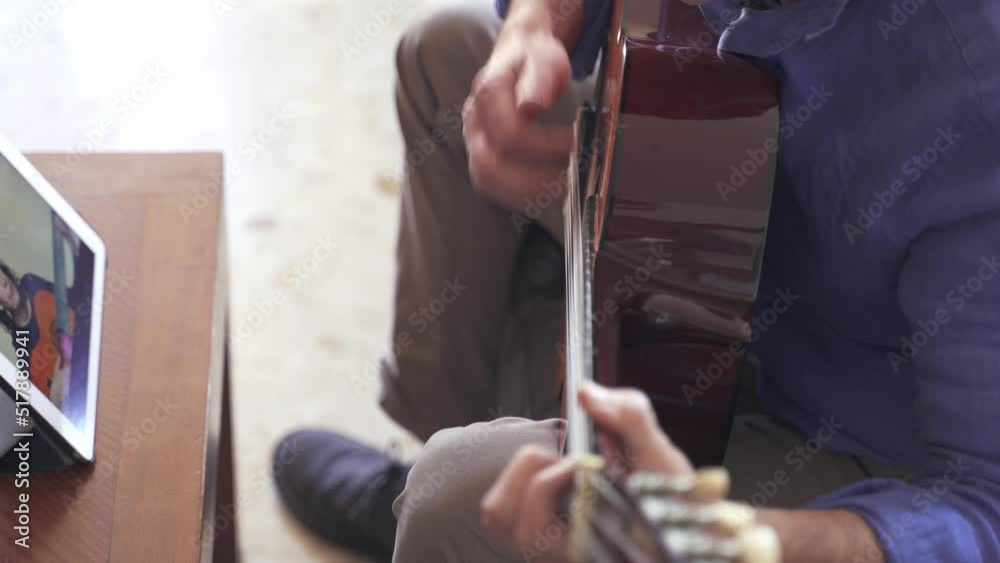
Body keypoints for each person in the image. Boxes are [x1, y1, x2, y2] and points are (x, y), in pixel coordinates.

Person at [272, 0, 1000, 561]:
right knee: (443, 57)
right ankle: (424, 490)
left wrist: (735, 539)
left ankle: (448, 514)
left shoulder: (977, 88)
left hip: (857, 438)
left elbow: (986, 507)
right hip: (723, 214)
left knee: (451, 490)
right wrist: (535, 25)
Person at [0, 258, 75, 406]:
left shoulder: (32, 284)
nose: (3, 284)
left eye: (3, 281)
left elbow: (70, 302)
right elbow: (39, 396)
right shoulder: (21, 341)